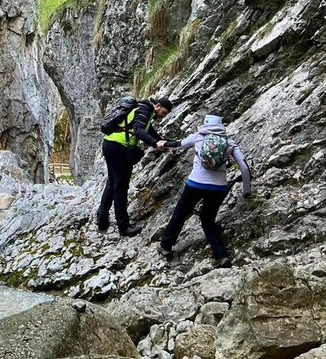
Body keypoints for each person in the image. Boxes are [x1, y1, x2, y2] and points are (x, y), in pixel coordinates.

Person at [157, 112, 251, 268]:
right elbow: (244, 169)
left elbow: (178, 144)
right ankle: (221, 256)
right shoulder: (229, 142)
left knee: (180, 214)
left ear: (206, 123)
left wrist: (164, 144)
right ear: (221, 126)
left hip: (195, 184)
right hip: (219, 188)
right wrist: (246, 191)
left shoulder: (198, 136)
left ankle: (165, 246)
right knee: (208, 220)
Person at [97, 96, 173, 236]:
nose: (163, 116)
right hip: (118, 148)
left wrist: (169, 144)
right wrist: (156, 144)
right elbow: (139, 130)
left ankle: (102, 218)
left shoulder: (144, 110)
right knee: (120, 187)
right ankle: (124, 227)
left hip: (111, 144)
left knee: (112, 183)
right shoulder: (145, 111)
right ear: (158, 106)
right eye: (164, 112)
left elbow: (150, 132)